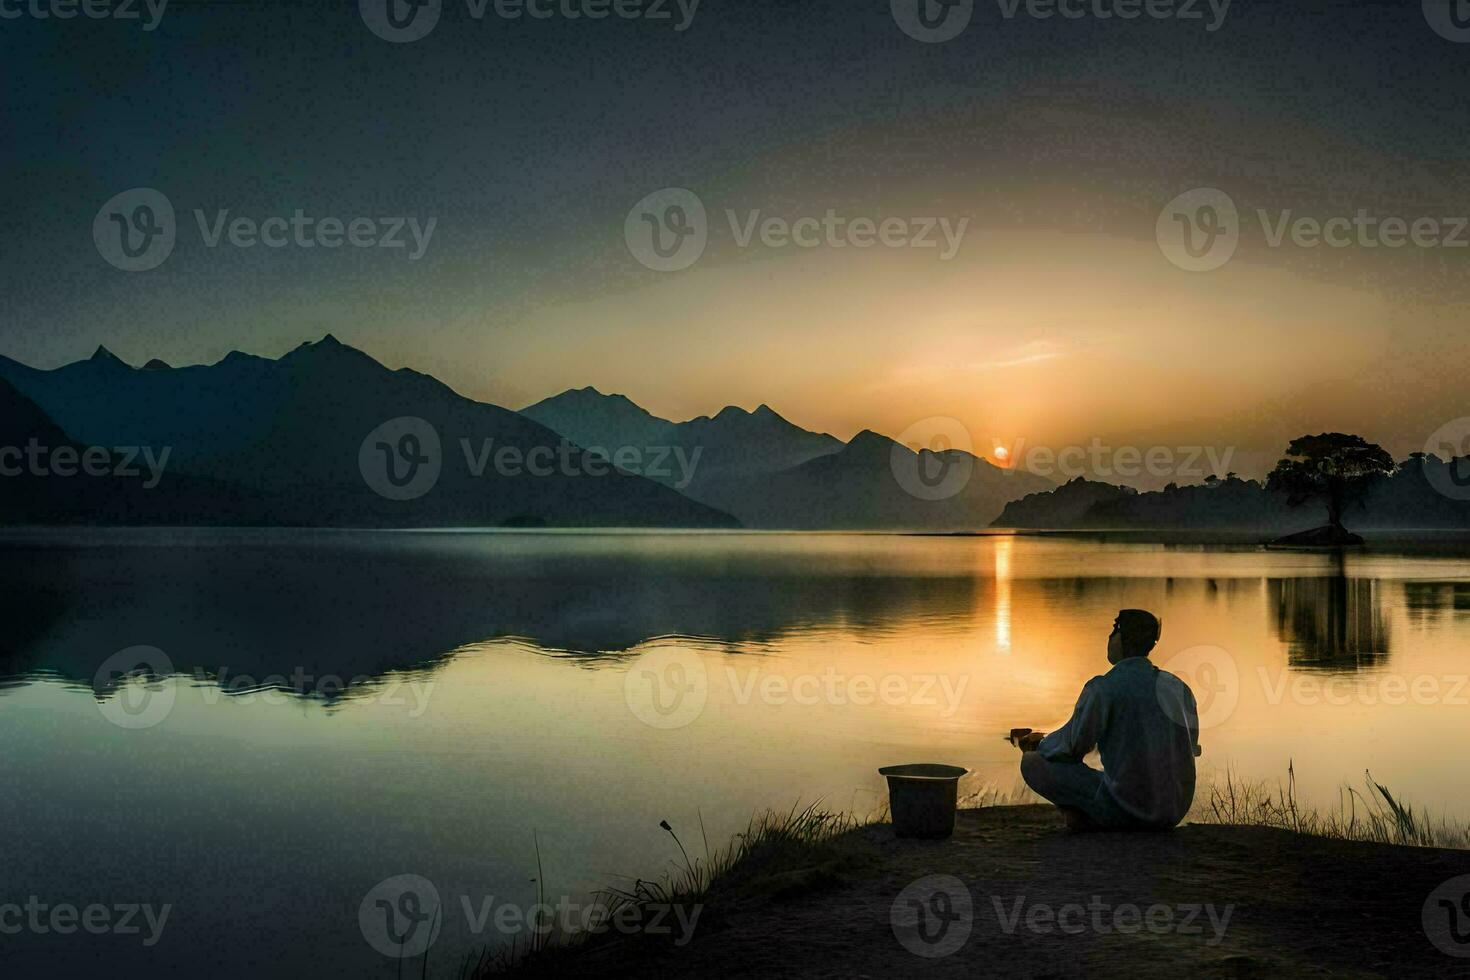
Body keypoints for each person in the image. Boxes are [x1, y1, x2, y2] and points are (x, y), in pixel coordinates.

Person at [1014, 609, 1201, 831]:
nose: (1110, 638)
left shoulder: (1103, 689)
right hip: (1172, 812)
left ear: (1122, 638)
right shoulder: (1178, 688)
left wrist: (1036, 743)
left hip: (1129, 810)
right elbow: (1191, 748)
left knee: (1033, 763)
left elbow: (1072, 747)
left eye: (1114, 630)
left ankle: (1085, 817)